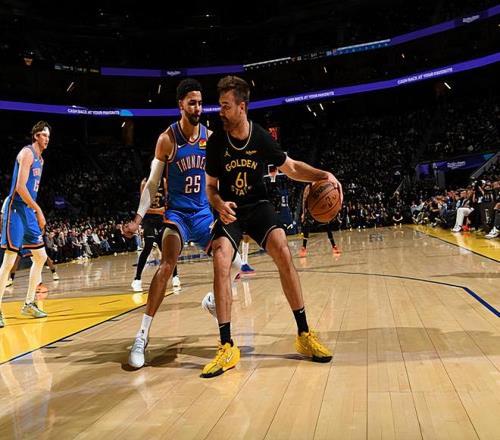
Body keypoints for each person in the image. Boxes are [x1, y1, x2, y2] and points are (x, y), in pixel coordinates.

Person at [202, 76, 343, 378]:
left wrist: (323, 175)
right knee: (221, 259)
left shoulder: (260, 137)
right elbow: (210, 187)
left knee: (282, 250)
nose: (220, 111)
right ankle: (226, 345)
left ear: (242, 107)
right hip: (230, 210)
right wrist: (218, 204)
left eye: (225, 106)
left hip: (258, 206)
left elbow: (291, 168)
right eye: (220, 106)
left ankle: (304, 334)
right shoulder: (215, 142)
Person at [124, 79, 241, 368]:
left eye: (200, 103)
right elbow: (152, 183)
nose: (197, 108)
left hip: (203, 215)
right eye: (192, 103)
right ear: (181, 105)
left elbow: (219, 178)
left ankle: (212, 301)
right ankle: (142, 336)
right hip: (177, 215)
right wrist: (138, 218)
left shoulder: (210, 138)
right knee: (167, 264)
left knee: (237, 263)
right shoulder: (167, 139)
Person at [0, 121, 51, 328]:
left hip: (28, 210)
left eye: (49, 136)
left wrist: (34, 210)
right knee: (9, 260)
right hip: (16, 208)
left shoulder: (41, 160)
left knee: (41, 256)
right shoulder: (27, 153)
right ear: (36, 135)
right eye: (44, 135)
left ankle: (29, 303)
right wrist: (39, 210)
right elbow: (20, 187)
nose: (47, 139)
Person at [130, 175, 181, 291]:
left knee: (167, 249)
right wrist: (159, 210)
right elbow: (143, 207)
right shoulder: (145, 182)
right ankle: (137, 279)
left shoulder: (163, 181)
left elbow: (167, 203)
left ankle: (175, 276)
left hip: (161, 220)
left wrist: (165, 210)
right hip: (149, 220)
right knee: (148, 246)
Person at [299, 183, 340, 258]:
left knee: (327, 226)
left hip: (321, 209)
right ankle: (303, 248)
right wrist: (304, 213)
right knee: (306, 226)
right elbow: (304, 201)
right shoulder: (308, 187)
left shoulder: (321, 184)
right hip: (311, 210)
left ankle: (334, 246)